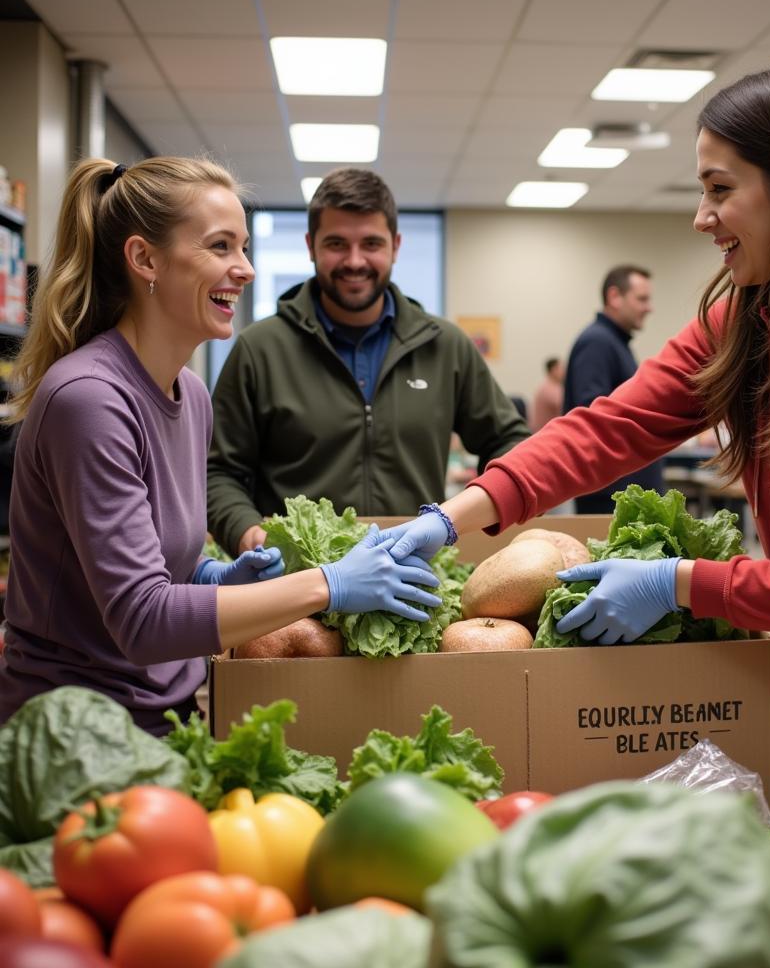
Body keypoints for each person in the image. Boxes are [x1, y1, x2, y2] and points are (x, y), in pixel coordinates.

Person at [380, 65, 770, 958]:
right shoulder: (758, 315)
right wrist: (459, 516)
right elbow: (612, 426)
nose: (702, 216)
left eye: (721, 189)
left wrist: (681, 583)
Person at [0, 157, 441, 735]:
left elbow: (150, 568)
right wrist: (327, 584)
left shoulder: (190, 393)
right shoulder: (89, 399)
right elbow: (140, 618)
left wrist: (212, 577)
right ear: (145, 259)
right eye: (221, 247)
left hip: (169, 713)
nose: (247, 270)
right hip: (77, 734)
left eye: (244, 247)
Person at [206, 167, 529, 556]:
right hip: (296, 581)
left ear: (395, 245)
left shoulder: (445, 346)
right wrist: (247, 532)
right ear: (311, 246)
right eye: (337, 244)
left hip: (415, 574)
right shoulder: (259, 349)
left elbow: (511, 444)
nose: (355, 261)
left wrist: (470, 513)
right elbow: (217, 472)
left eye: (371, 244)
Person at [562, 264, 663, 512]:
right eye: (641, 299)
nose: (649, 307)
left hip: (620, 492)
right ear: (615, 297)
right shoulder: (597, 342)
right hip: (610, 496)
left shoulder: (614, 342)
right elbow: (593, 415)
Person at [528, 357, 564, 433]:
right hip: (547, 434)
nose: (564, 372)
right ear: (554, 370)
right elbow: (567, 408)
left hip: (541, 433)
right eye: (561, 368)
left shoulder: (546, 387)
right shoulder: (551, 390)